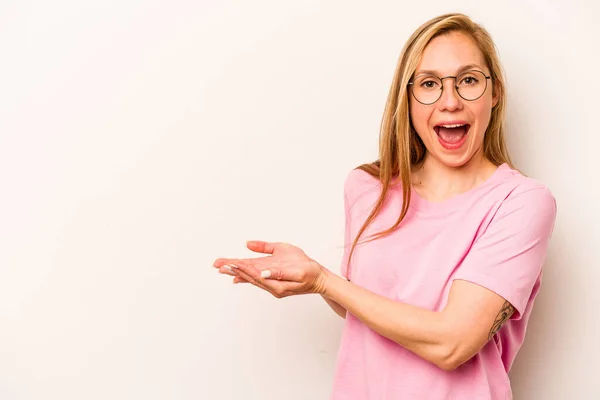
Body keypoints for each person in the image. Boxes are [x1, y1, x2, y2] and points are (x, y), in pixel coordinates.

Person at [213, 13, 557, 400]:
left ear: (494, 93)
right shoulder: (367, 188)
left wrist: (324, 281)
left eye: (469, 81)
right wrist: (313, 281)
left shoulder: (521, 202)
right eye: (429, 84)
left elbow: (453, 343)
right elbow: (365, 309)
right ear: (407, 98)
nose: (450, 101)